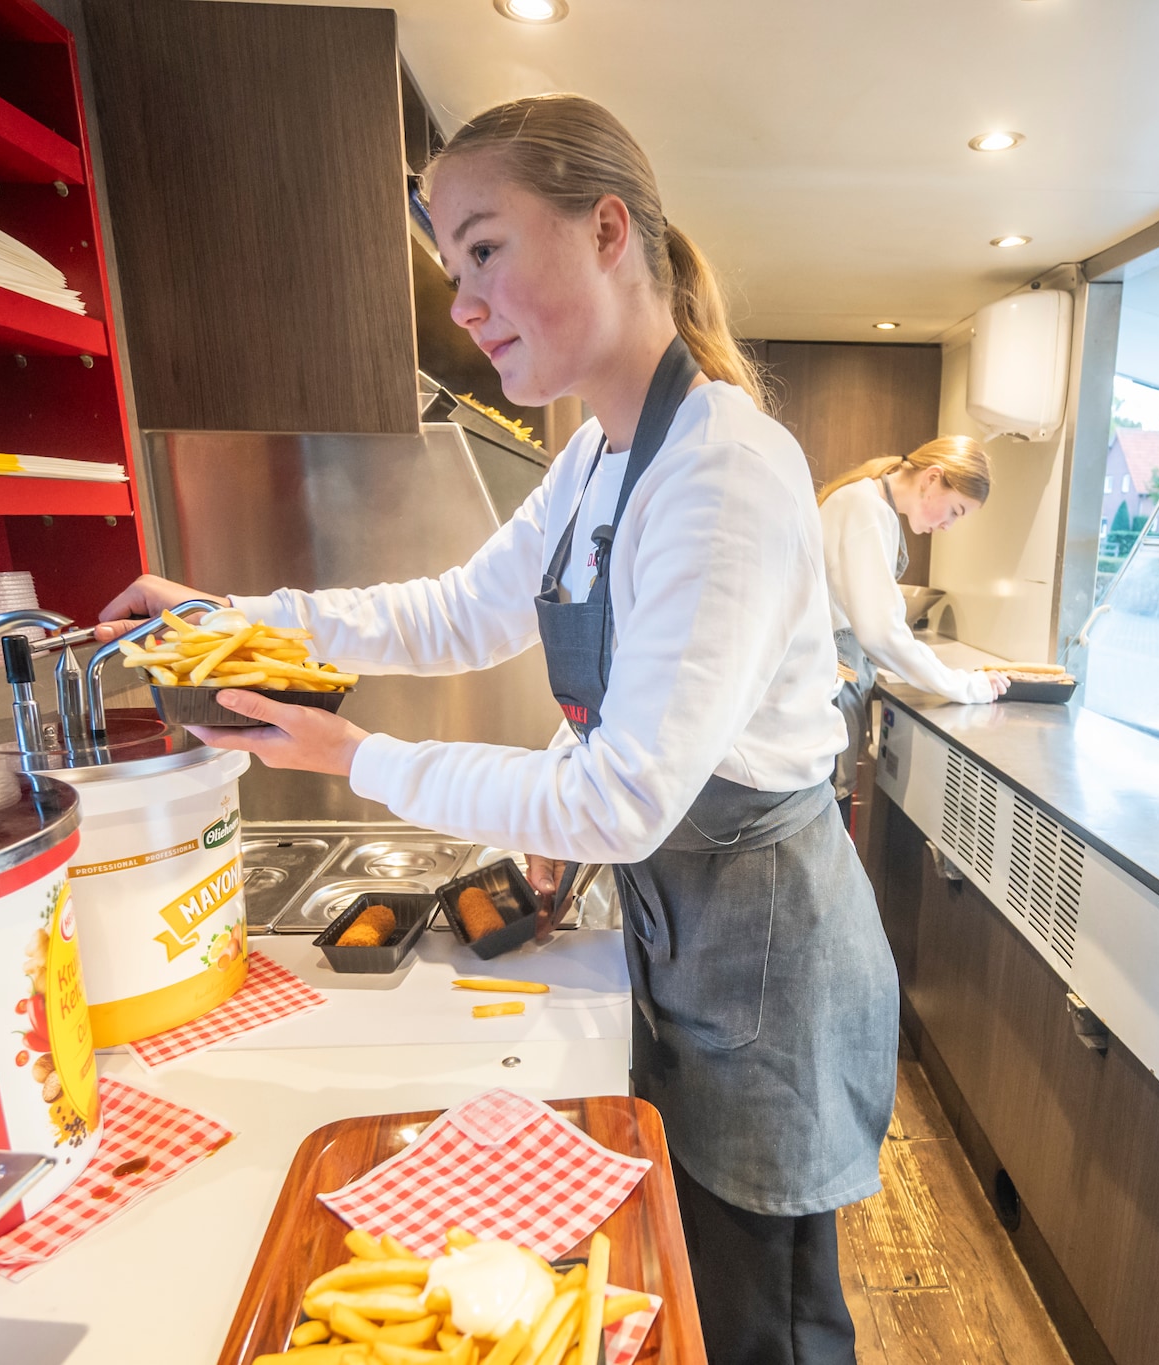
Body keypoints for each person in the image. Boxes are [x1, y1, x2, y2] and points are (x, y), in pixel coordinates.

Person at [98, 94, 895, 1365]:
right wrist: (242, 611)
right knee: (703, 1284)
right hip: (677, 921)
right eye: (447, 264)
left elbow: (626, 794)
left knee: (768, 1320)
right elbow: (462, 612)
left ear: (606, 231)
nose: (463, 302)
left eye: (481, 249)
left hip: (762, 952)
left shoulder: (723, 470)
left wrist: (359, 760)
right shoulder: (593, 461)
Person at [818, 438, 1007, 805]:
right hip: (832, 679)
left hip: (836, 674)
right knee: (829, 806)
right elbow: (881, 634)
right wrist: (967, 686)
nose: (949, 525)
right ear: (933, 478)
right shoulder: (865, 508)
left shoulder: (869, 504)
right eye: (955, 510)